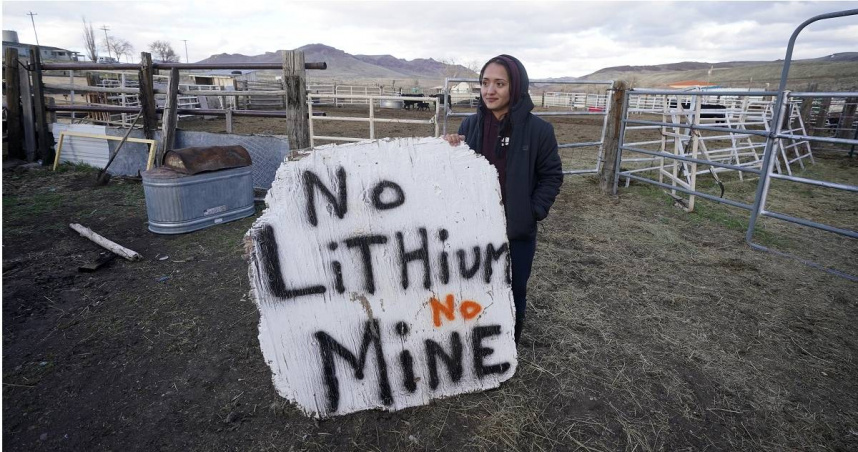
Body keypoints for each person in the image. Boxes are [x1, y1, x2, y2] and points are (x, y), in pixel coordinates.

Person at [443, 54, 563, 344]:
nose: (490, 91)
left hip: (517, 231)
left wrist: (531, 211)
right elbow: (455, 176)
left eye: (499, 83)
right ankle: (476, 345)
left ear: (516, 87)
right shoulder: (469, 127)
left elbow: (552, 176)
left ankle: (507, 346)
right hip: (474, 228)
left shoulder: (539, 131)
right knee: (472, 286)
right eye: (485, 83)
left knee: (513, 288)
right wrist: (449, 149)